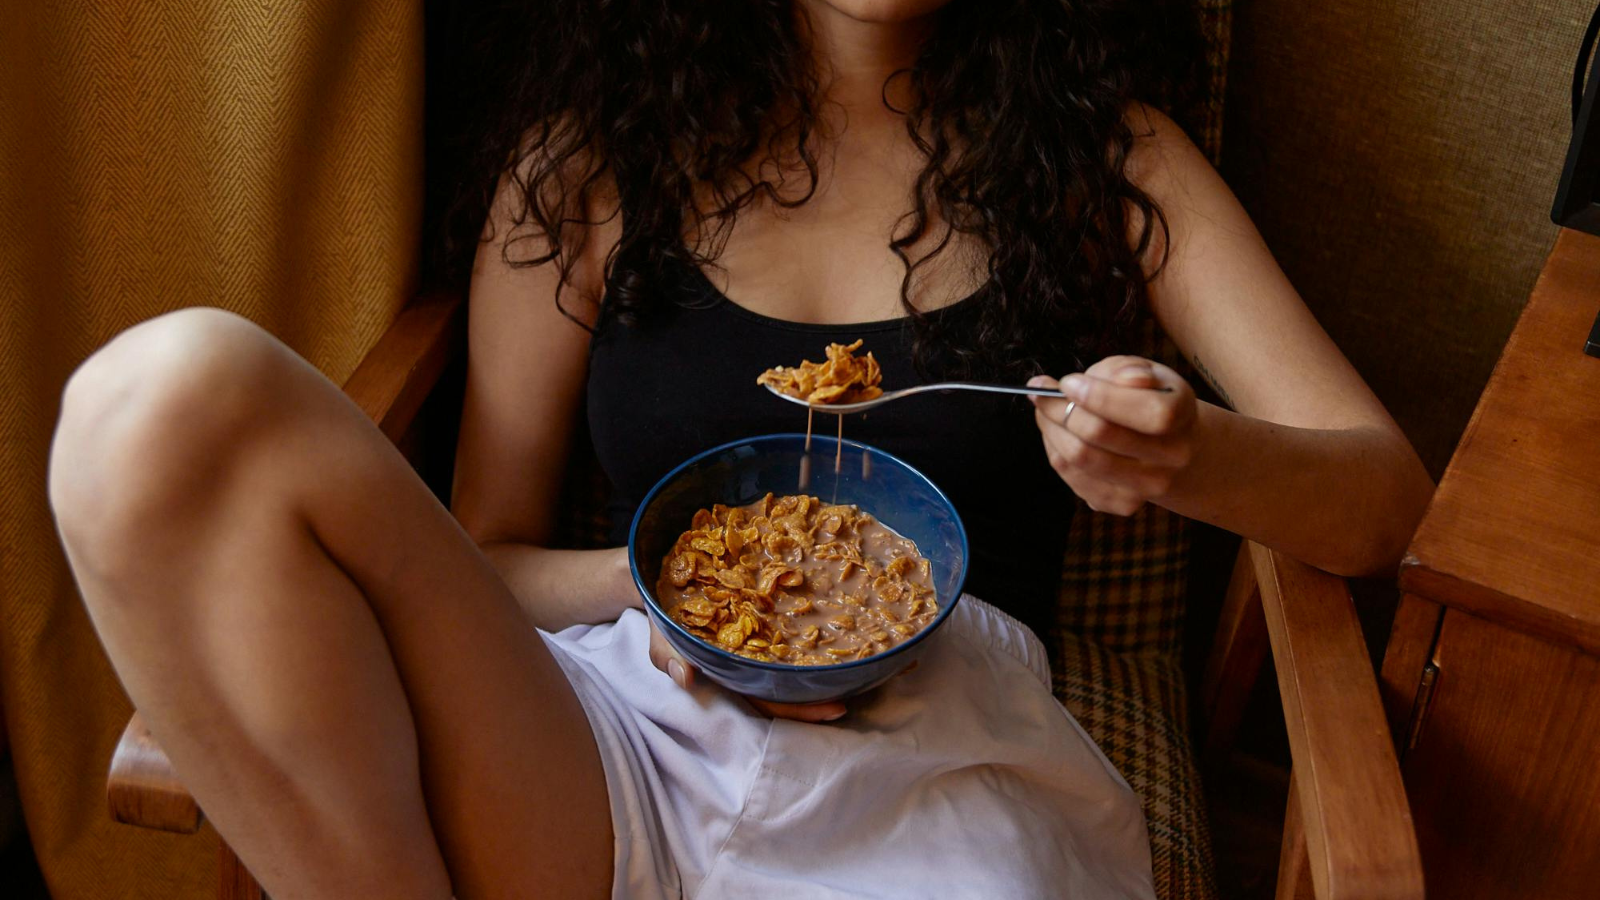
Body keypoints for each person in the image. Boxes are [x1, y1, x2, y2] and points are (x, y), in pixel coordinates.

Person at [48, 1, 1435, 898]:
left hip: (935, 786)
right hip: (613, 742)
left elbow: (1383, 498)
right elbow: (489, 559)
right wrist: (679, 599)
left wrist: (1195, 455)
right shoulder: (592, 161)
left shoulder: (1107, 165)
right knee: (151, 407)